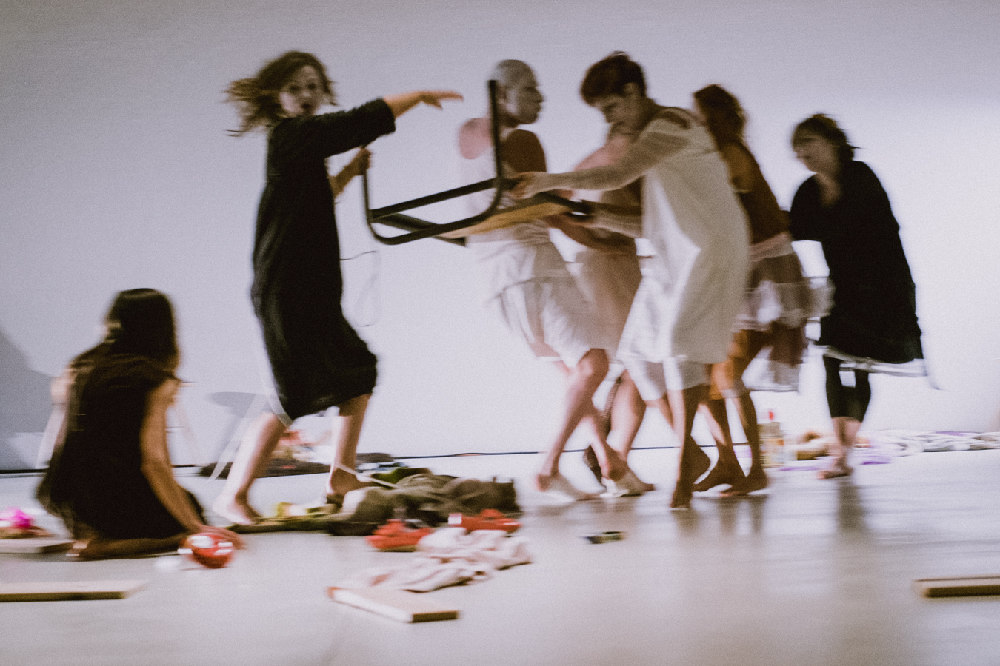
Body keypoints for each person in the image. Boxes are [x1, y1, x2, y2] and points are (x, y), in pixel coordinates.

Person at [214, 50, 461, 524]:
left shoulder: (302, 150)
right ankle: (234, 496)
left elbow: (317, 197)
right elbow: (357, 121)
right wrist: (417, 96)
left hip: (309, 289)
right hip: (287, 289)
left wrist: (349, 172)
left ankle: (341, 476)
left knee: (357, 372)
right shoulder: (290, 136)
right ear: (276, 98)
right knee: (292, 396)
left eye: (312, 87)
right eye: (294, 88)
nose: (306, 96)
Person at [516, 53, 750, 508]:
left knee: (680, 349)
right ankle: (703, 456)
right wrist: (594, 214)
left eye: (612, 108)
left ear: (634, 92)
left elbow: (618, 172)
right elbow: (648, 224)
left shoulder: (672, 125)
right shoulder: (654, 148)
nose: (610, 120)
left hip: (711, 250)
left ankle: (685, 463)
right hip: (672, 255)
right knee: (638, 355)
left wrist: (547, 180)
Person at [458, 59, 646, 499]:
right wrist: (605, 243)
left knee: (575, 374)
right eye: (530, 88)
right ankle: (548, 467)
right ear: (501, 94)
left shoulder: (466, 134)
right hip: (532, 267)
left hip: (494, 278)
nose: (541, 98)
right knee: (595, 364)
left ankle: (610, 463)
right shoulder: (523, 140)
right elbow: (552, 213)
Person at [36, 289, 243, 559]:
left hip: (66, 492)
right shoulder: (154, 379)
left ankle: (92, 533)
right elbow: (154, 462)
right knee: (186, 514)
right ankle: (107, 544)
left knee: (181, 504)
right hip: (113, 496)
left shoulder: (78, 368)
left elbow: (61, 440)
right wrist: (195, 528)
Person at [687, 84, 813, 496]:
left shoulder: (730, 156)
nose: (693, 122)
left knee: (728, 373)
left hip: (764, 273)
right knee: (707, 376)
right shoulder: (719, 156)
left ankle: (754, 467)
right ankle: (728, 461)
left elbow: (706, 208)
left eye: (698, 114)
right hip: (741, 272)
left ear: (715, 117)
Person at [788, 114, 922, 479]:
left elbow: (860, 227)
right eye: (797, 149)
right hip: (845, 286)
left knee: (861, 365)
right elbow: (792, 229)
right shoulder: (808, 191)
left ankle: (844, 450)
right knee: (832, 360)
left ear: (832, 142)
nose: (802, 153)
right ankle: (840, 449)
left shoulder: (861, 177)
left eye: (808, 143)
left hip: (883, 286)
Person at [556, 125, 652, 491]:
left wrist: (590, 244)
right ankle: (617, 459)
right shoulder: (629, 166)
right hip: (615, 267)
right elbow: (653, 221)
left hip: (590, 267)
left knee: (612, 368)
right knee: (640, 366)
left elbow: (554, 211)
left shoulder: (586, 165)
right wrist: (604, 244)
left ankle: (607, 453)